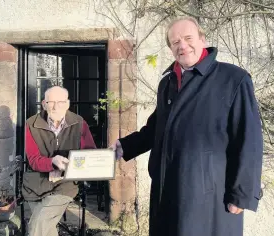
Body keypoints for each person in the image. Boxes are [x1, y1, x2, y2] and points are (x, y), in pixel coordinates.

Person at [111, 16, 263, 236]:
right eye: (175, 42)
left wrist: (241, 194)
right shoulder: (168, 82)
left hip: (208, 196)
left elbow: (249, 140)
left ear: (202, 38)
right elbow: (157, 127)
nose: (182, 45)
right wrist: (126, 146)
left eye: (188, 38)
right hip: (166, 189)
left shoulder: (233, 79)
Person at [22, 86, 96, 236]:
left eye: (61, 102)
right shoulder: (31, 124)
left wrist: (70, 167)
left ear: (67, 104)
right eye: (51, 102)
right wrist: (52, 162)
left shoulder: (79, 123)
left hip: (65, 184)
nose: (56, 107)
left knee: (39, 223)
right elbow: (33, 160)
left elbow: (89, 155)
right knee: (45, 228)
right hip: (36, 183)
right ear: (44, 104)